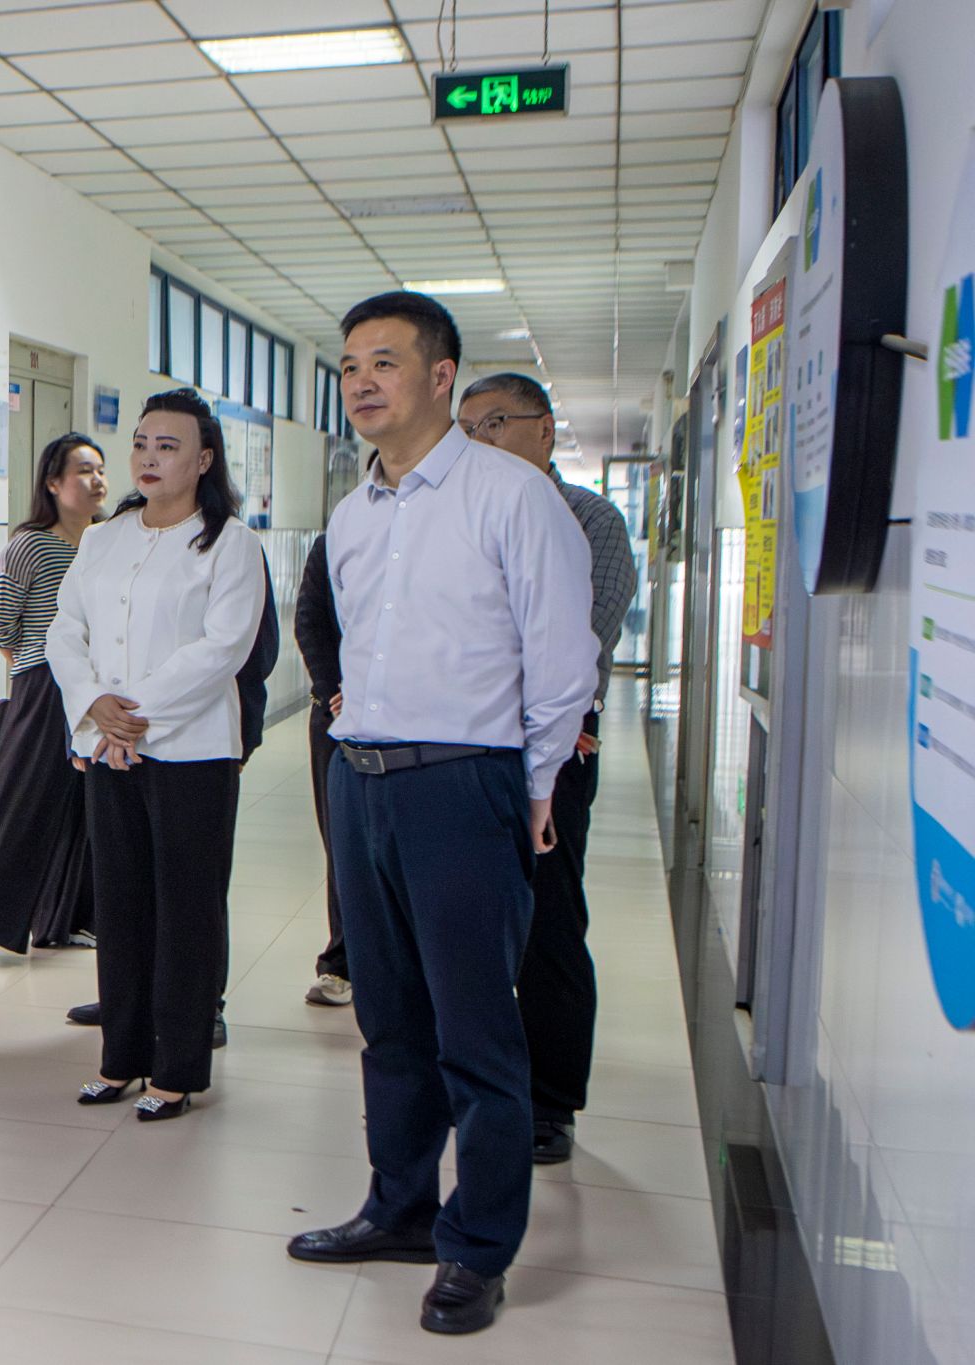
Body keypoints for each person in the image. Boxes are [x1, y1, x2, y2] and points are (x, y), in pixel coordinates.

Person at [286, 293, 593, 1336]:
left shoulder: (511, 496)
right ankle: (400, 1207)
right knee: (389, 1022)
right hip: (360, 778)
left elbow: (563, 660)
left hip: (464, 783)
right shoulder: (353, 514)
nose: (361, 381)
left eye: (383, 361)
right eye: (348, 366)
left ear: (439, 375)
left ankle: (477, 1246)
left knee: (474, 1029)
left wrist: (534, 787)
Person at [48, 389, 264, 1121]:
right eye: (141, 442)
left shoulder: (230, 543)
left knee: (186, 910)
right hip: (110, 748)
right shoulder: (105, 538)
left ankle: (175, 1069)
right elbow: (65, 629)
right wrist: (92, 704)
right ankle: (121, 1058)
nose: (148, 457)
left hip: (192, 753)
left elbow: (223, 648)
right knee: (121, 906)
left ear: (203, 459)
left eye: (168, 446)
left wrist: (130, 713)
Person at [458, 372, 638, 1165]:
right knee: (469, 921)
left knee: (549, 920)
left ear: (544, 430)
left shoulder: (590, 519)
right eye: (468, 427)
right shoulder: (461, 514)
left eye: (495, 422)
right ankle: (479, 1081)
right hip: (466, 745)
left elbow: (580, 639)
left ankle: (550, 1098)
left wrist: (511, 695)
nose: (480, 440)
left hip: (555, 748)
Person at [62, 560, 278, 1044]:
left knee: (192, 887)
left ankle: (202, 1005)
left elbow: (252, 653)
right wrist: (87, 726)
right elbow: (86, 640)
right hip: (109, 738)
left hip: (196, 739)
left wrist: (243, 736)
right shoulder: (112, 544)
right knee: (124, 884)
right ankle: (128, 1001)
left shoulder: (227, 543)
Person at [0, 433, 108, 966]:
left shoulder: (106, 543)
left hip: (95, 690)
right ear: (53, 483)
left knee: (84, 808)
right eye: (84, 470)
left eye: (101, 470)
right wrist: (30, 667)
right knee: (19, 805)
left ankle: (64, 921)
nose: (97, 480)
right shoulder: (31, 545)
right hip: (44, 685)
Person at [292, 532, 351, 1008]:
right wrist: (334, 691)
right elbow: (309, 621)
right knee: (344, 843)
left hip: (415, 724)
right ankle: (341, 963)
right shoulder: (336, 540)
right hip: (335, 716)